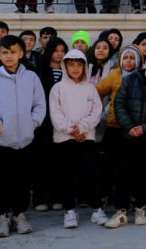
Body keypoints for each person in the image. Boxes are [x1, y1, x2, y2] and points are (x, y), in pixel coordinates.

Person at [0, 35, 46, 238]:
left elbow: (40, 105)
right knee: (0, 179)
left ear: (21, 53)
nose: (9, 56)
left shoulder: (31, 77)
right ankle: (2, 216)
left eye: (13, 52)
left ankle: (19, 214)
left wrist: (31, 124)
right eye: (4, 52)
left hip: (24, 139)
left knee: (22, 179)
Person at [106, 49, 146, 228]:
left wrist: (145, 128)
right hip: (129, 136)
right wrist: (129, 127)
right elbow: (119, 103)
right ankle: (121, 210)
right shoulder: (130, 80)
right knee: (125, 173)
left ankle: (140, 208)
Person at [48, 49, 107, 227]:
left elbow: (96, 112)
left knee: (91, 173)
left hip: (86, 138)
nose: (75, 68)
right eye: (71, 64)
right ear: (65, 66)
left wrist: (81, 128)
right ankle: (69, 211)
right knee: (66, 174)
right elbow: (55, 113)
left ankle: (97, 209)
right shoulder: (57, 88)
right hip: (64, 139)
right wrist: (71, 130)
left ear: (84, 67)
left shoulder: (90, 88)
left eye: (79, 65)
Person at [95, 44, 143, 207]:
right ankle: (103, 195)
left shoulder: (142, 77)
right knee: (108, 163)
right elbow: (97, 92)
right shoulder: (115, 75)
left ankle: (128, 195)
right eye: (126, 58)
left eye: (132, 58)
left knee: (129, 165)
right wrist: (99, 112)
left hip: (133, 128)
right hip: (114, 126)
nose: (128, 61)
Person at [33, 37, 68, 212]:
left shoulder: (69, 70)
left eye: (62, 51)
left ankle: (57, 196)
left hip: (64, 122)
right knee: (41, 160)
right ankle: (40, 197)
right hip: (44, 122)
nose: (59, 54)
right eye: (56, 50)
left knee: (59, 160)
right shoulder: (39, 69)